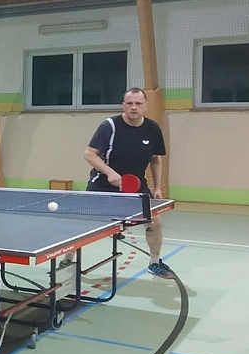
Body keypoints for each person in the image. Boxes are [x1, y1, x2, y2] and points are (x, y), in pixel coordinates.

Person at [60, 88, 173, 278]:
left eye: (138, 103)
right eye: (129, 103)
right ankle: (67, 259)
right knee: (81, 223)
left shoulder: (153, 129)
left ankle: (155, 263)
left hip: (136, 186)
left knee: (155, 221)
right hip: (102, 185)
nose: (134, 107)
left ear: (145, 106)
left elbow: (155, 159)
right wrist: (110, 172)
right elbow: (89, 154)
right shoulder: (110, 126)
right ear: (123, 105)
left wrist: (157, 187)